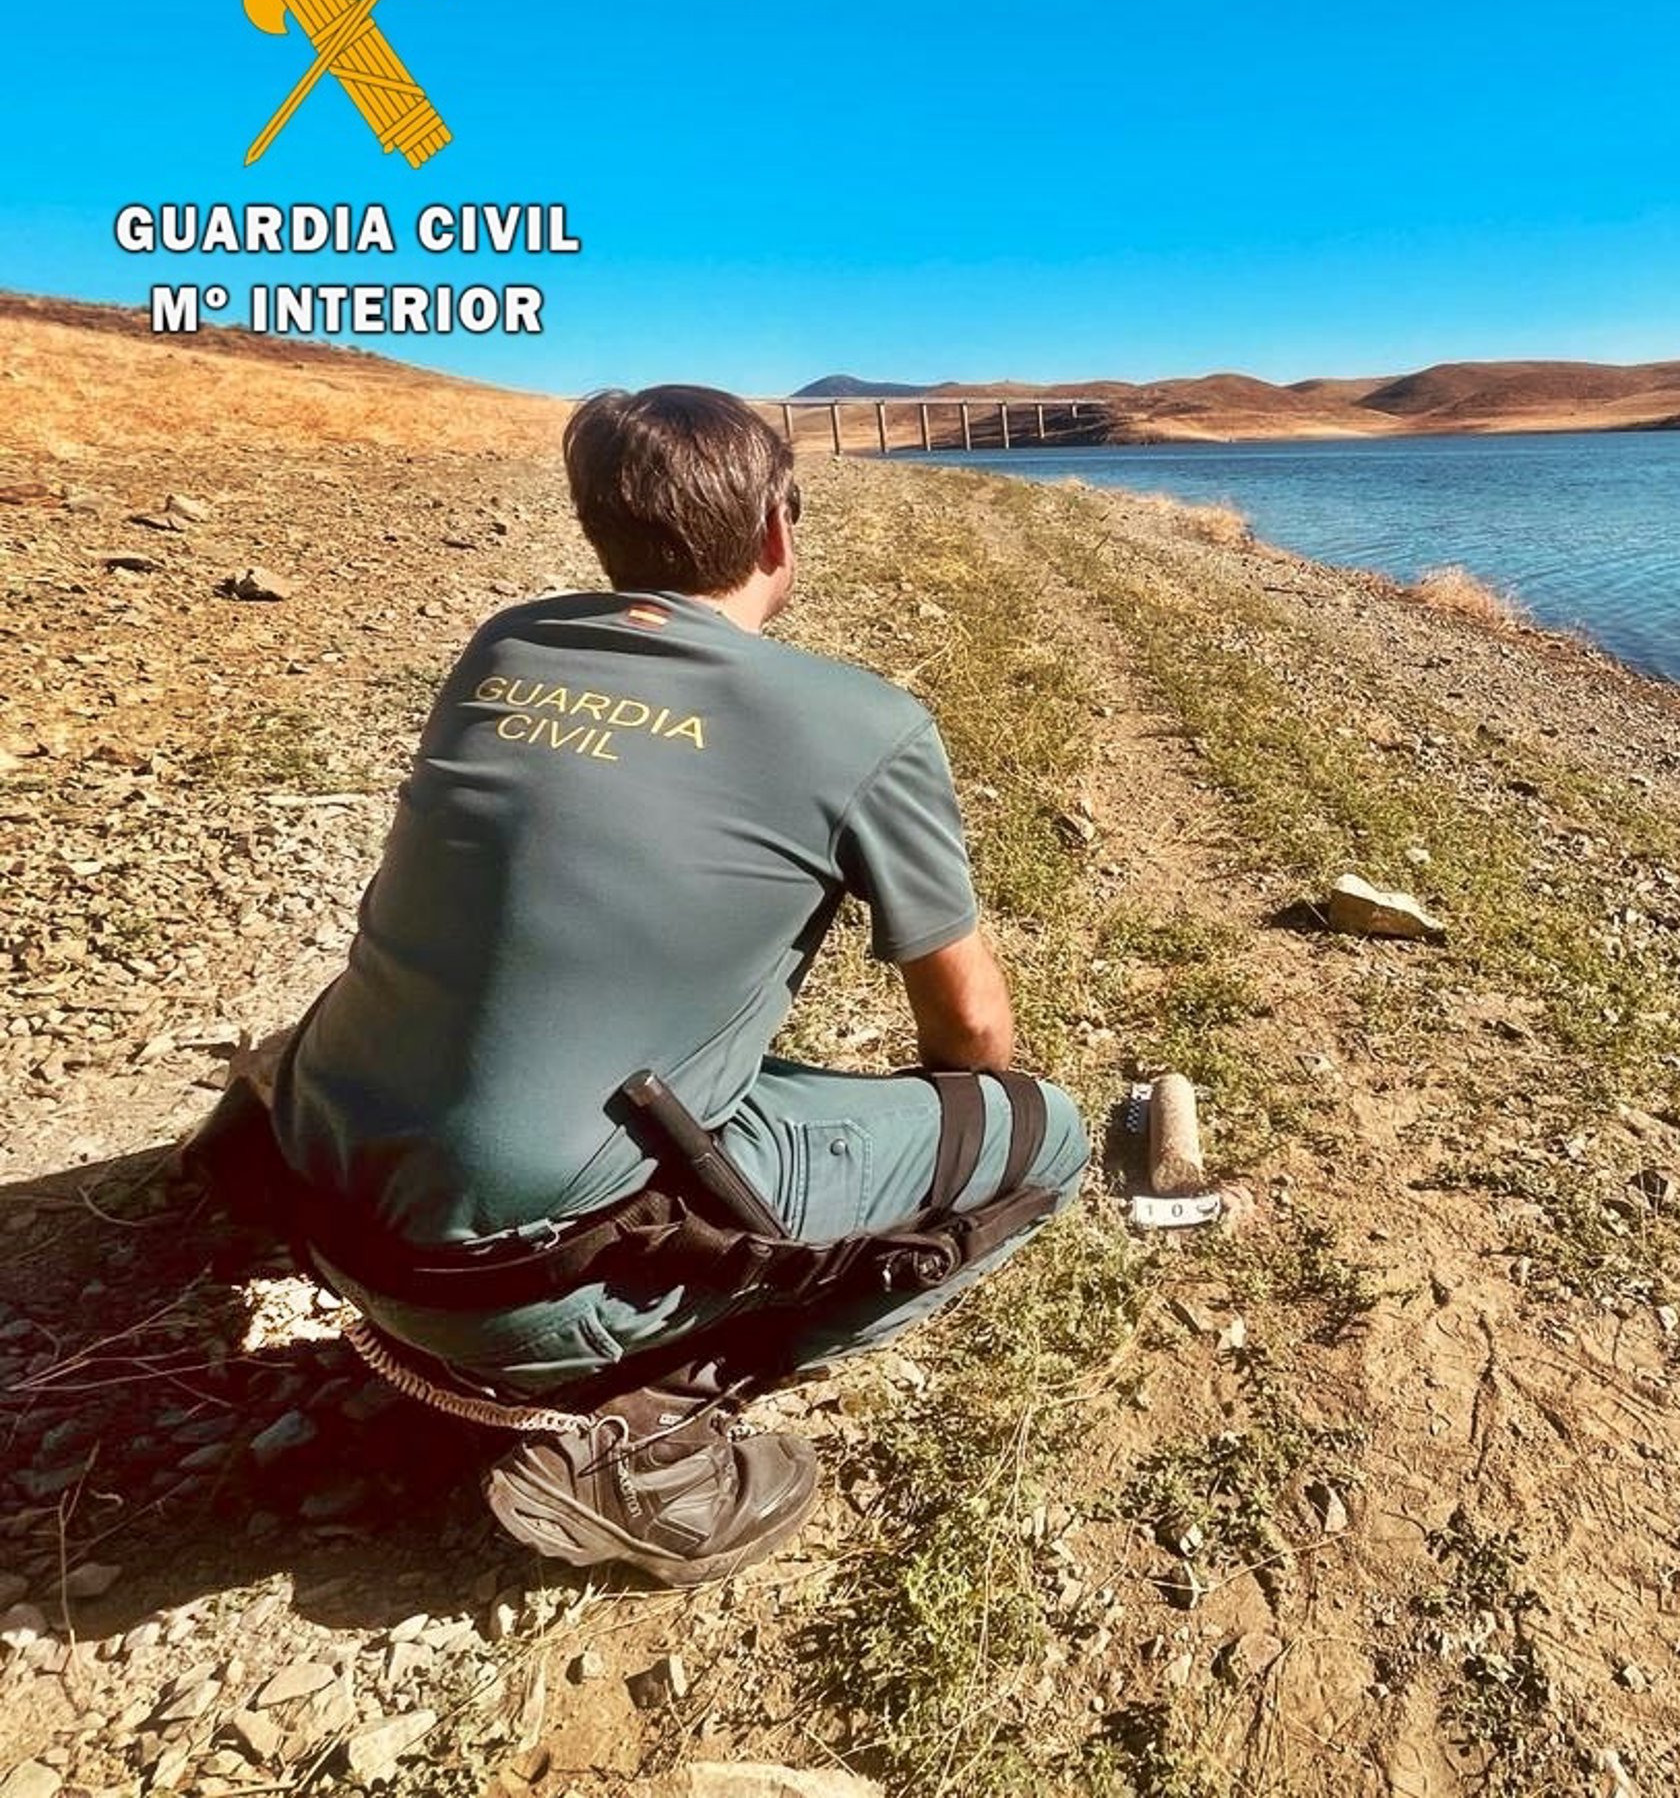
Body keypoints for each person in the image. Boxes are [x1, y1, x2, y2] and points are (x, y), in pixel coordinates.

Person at [212, 385, 1089, 1584]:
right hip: (512, 1286)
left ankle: (530, 1338)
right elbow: (975, 1032)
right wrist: (935, 1136)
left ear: (599, 528)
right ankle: (658, 1411)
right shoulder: (862, 723)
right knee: (1046, 1134)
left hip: (319, 1193)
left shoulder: (506, 645)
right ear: (778, 529)